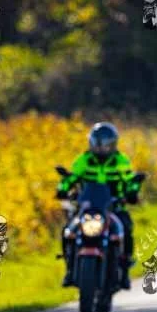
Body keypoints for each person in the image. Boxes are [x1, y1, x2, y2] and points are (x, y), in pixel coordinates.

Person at [56, 122, 143, 288]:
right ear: (91, 143)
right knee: (68, 231)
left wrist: (133, 190)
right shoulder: (83, 160)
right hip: (87, 207)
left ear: (113, 144)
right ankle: (69, 268)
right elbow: (72, 177)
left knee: (126, 226)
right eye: (97, 144)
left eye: (105, 145)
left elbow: (128, 179)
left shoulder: (120, 160)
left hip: (113, 207)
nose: (101, 148)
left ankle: (124, 269)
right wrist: (62, 188)